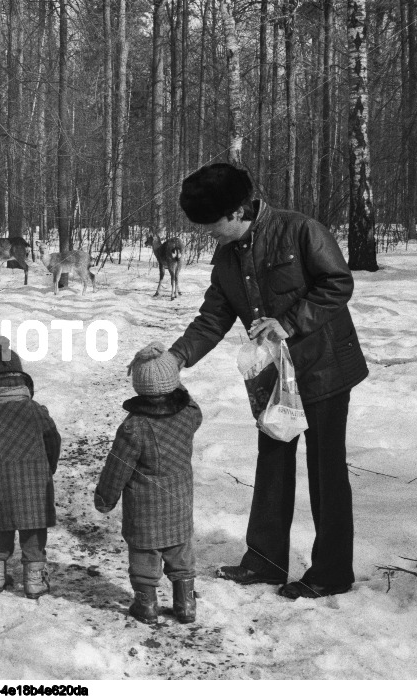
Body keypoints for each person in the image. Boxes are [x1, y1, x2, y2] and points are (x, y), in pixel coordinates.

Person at [169, 163, 368, 599]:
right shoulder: (226, 256)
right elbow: (213, 317)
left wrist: (290, 323)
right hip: (274, 377)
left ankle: (332, 573)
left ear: (239, 210)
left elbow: (338, 282)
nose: (210, 234)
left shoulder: (300, 230)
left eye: (214, 224)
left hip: (325, 368)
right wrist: (177, 356)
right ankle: (265, 561)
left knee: (325, 469)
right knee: (272, 461)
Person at [94, 342, 203, 624]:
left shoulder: (135, 427)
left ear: (138, 385)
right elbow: (191, 404)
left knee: (144, 555)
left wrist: (106, 498)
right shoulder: (189, 413)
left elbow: (117, 467)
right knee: (181, 552)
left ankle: (146, 605)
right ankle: (186, 604)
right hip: (180, 504)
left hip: (145, 511)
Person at [0, 336, 62, 599]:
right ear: (20, 379)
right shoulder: (35, 410)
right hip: (35, 486)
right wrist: (47, 469)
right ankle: (34, 581)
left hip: (0, 487)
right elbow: (53, 439)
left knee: (0, 531)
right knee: (33, 533)